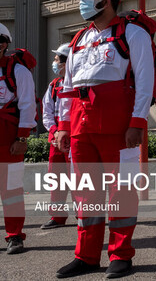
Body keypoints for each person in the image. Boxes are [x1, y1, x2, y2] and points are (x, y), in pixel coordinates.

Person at [55, 0, 154, 278]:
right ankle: (86, 257)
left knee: (121, 191)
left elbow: (145, 80)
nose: (83, 2)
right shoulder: (79, 39)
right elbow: (68, 87)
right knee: (87, 193)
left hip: (119, 127)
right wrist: (63, 126)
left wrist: (137, 122)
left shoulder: (132, 34)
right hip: (82, 127)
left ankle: (121, 255)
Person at [0, 22, 36, 255]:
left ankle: (15, 236)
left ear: (3, 44)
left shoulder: (18, 71)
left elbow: (27, 105)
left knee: (11, 190)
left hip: (8, 137)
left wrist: (22, 139)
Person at [41, 42, 74, 230]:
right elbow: (46, 113)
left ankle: (84, 214)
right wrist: (54, 133)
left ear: (66, 62)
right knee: (56, 179)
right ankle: (57, 217)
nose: (54, 63)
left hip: (74, 140)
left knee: (79, 178)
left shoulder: (78, 82)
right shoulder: (53, 85)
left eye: (57, 59)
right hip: (56, 142)